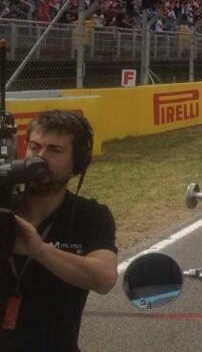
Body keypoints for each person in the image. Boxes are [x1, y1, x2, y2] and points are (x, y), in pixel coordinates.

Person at [2, 110, 117, 352]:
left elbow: (104, 278)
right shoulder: (5, 206)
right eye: (34, 147)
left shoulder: (90, 215)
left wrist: (38, 250)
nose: (39, 158)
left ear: (77, 162)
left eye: (54, 150)